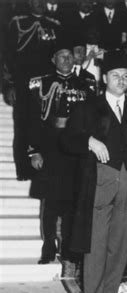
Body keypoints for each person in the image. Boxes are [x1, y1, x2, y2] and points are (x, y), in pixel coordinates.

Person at [60, 51, 127, 293]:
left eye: (125, 76)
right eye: (116, 76)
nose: (121, 80)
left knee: (120, 242)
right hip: (99, 180)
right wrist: (89, 140)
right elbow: (66, 140)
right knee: (97, 243)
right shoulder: (88, 106)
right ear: (105, 79)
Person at [28, 42, 94, 272]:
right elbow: (32, 119)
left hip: (75, 149)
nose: (66, 59)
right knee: (50, 203)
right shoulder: (41, 83)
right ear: (53, 59)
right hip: (51, 148)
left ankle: (67, 248)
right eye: (61, 56)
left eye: (69, 55)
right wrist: (33, 150)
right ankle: (48, 245)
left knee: (71, 204)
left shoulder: (85, 84)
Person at [5, 0, 60, 180]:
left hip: (47, 85)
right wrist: (9, 84)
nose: (40, 4)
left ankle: (43, 169)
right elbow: (7, 55)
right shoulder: (18, 22)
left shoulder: (54, 25)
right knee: (22, 125)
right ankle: (23, 170)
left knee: (44, 125)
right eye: (36, 1)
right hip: (22, 84)